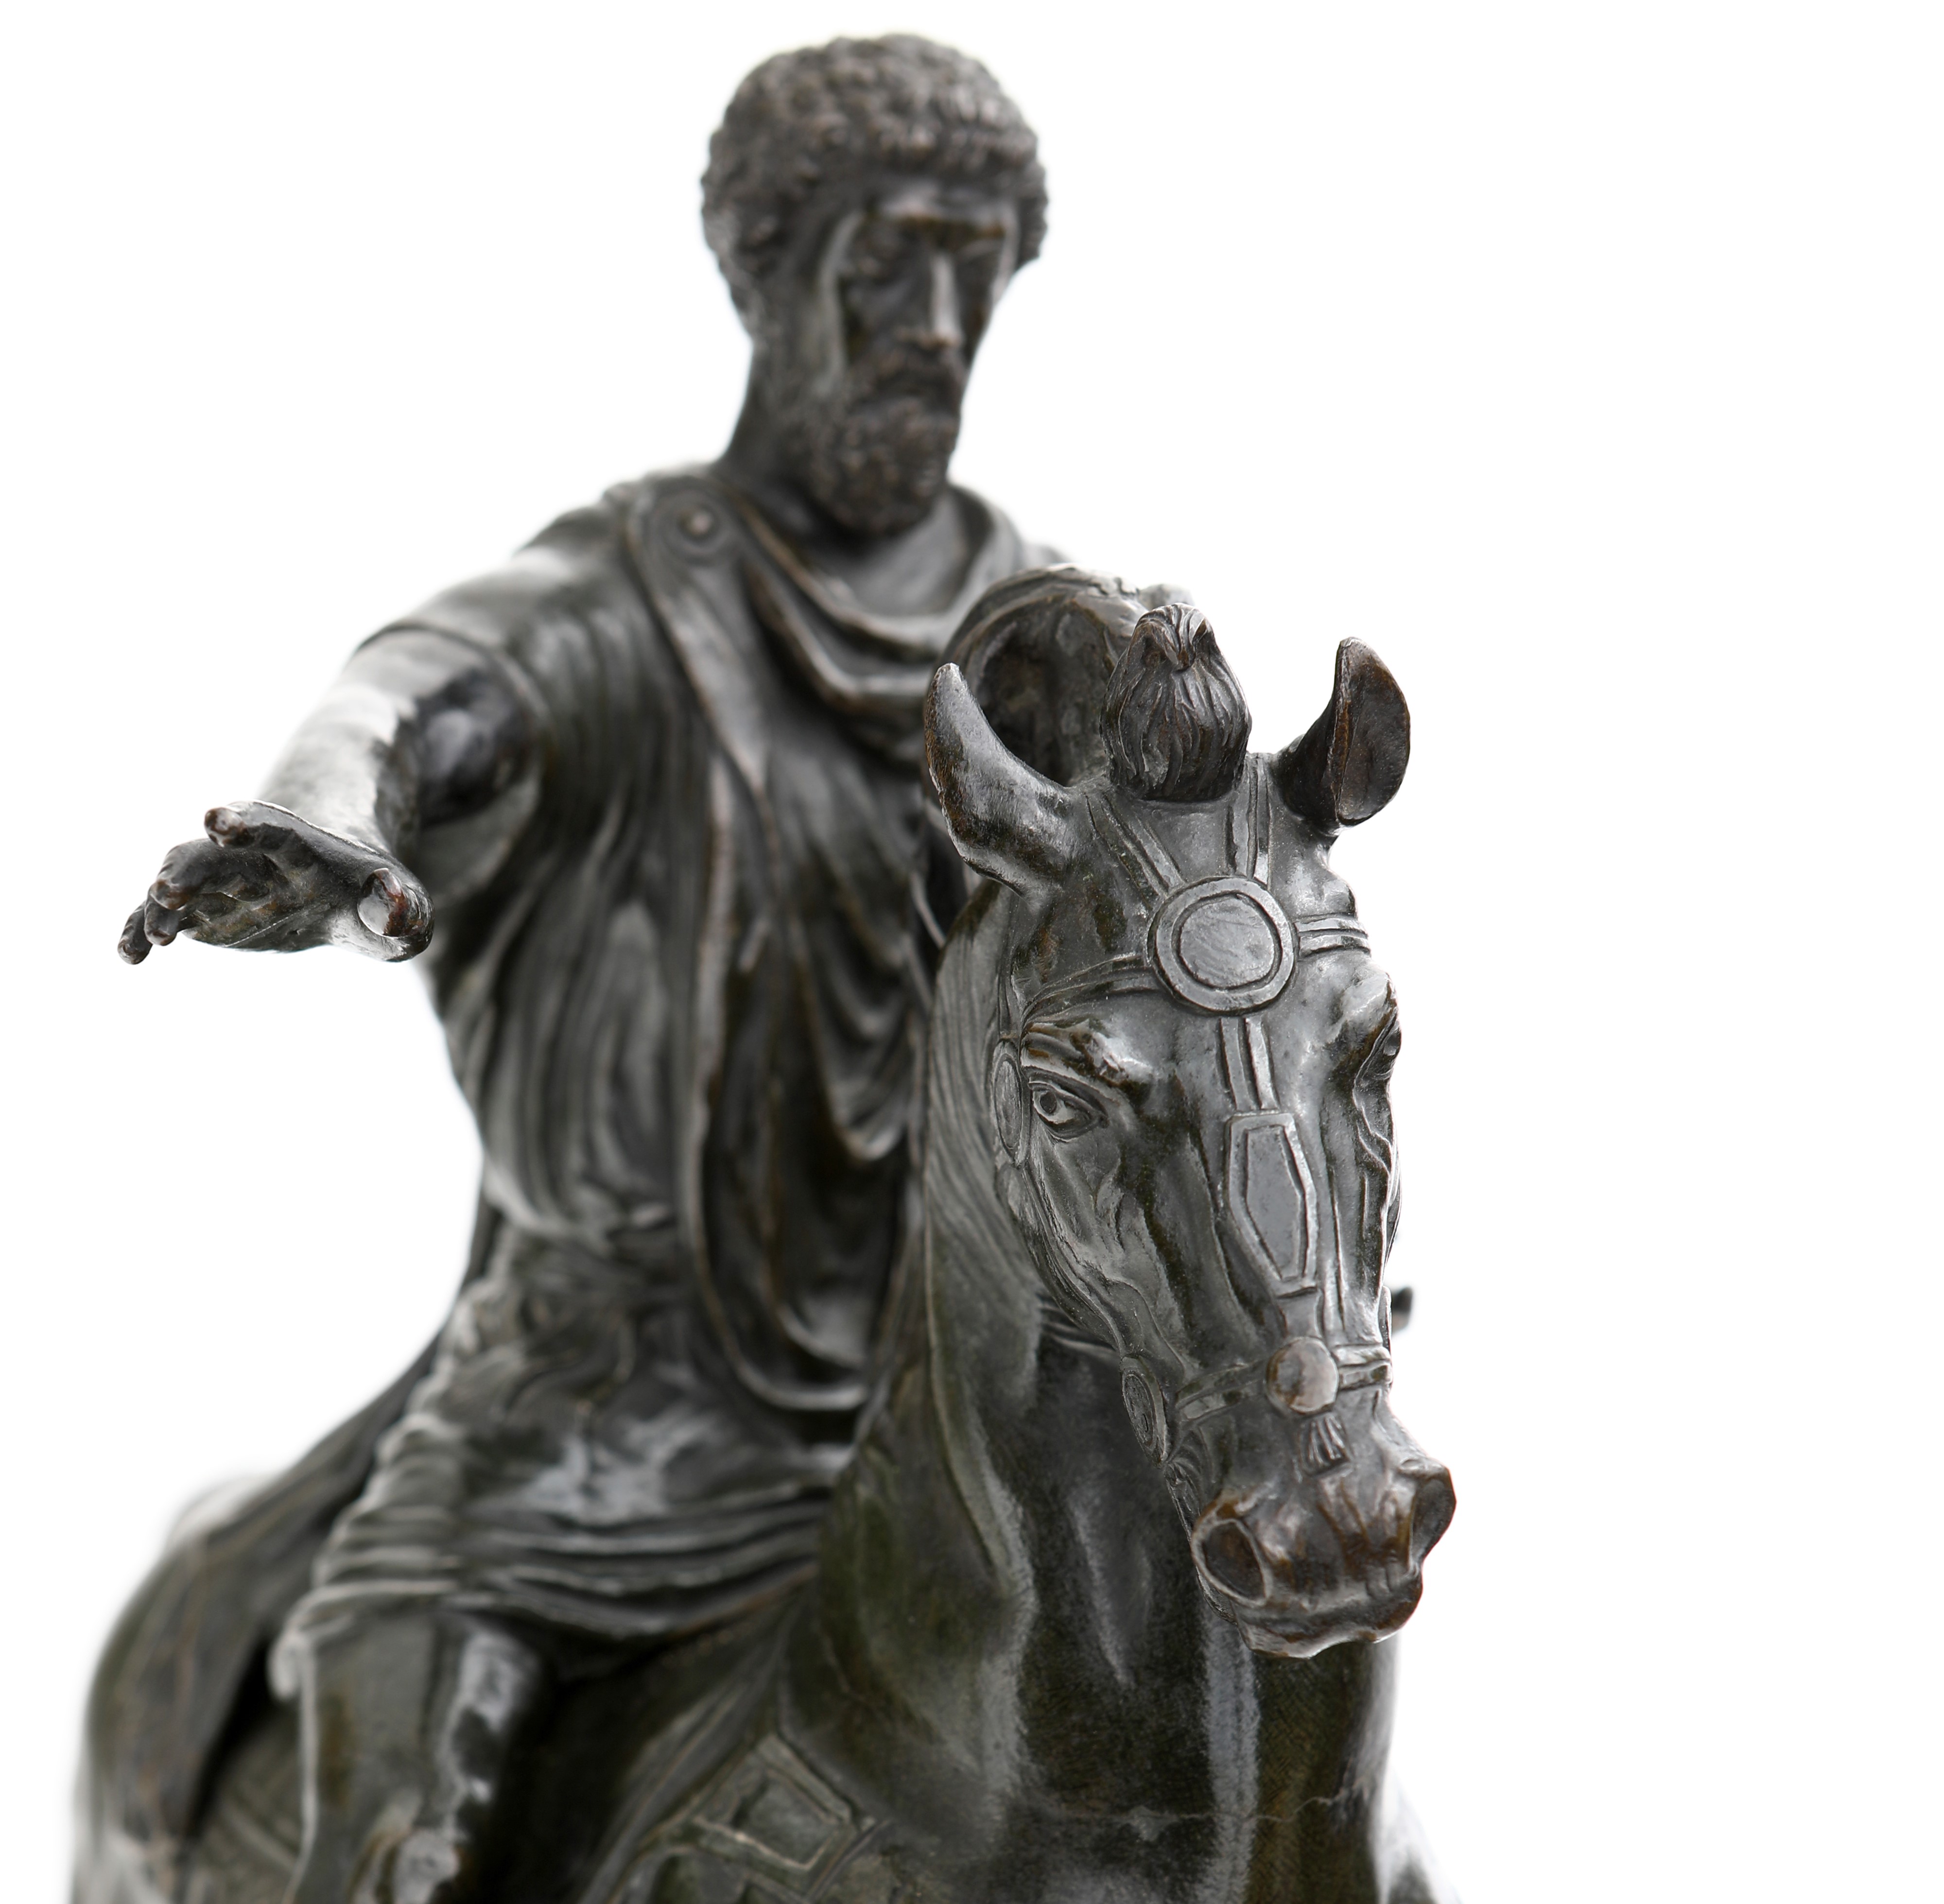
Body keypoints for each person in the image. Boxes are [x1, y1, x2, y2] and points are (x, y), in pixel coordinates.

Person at [85, 36, 1051, 1904]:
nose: (938, 327)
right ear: (766, 273)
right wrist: (327, 813)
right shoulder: (622, 606)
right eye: (887, 265)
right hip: (593, 1429)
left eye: (978, 271)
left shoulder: (1038, 655)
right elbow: (413, 697)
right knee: (399, 1846)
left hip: (950, 1441)